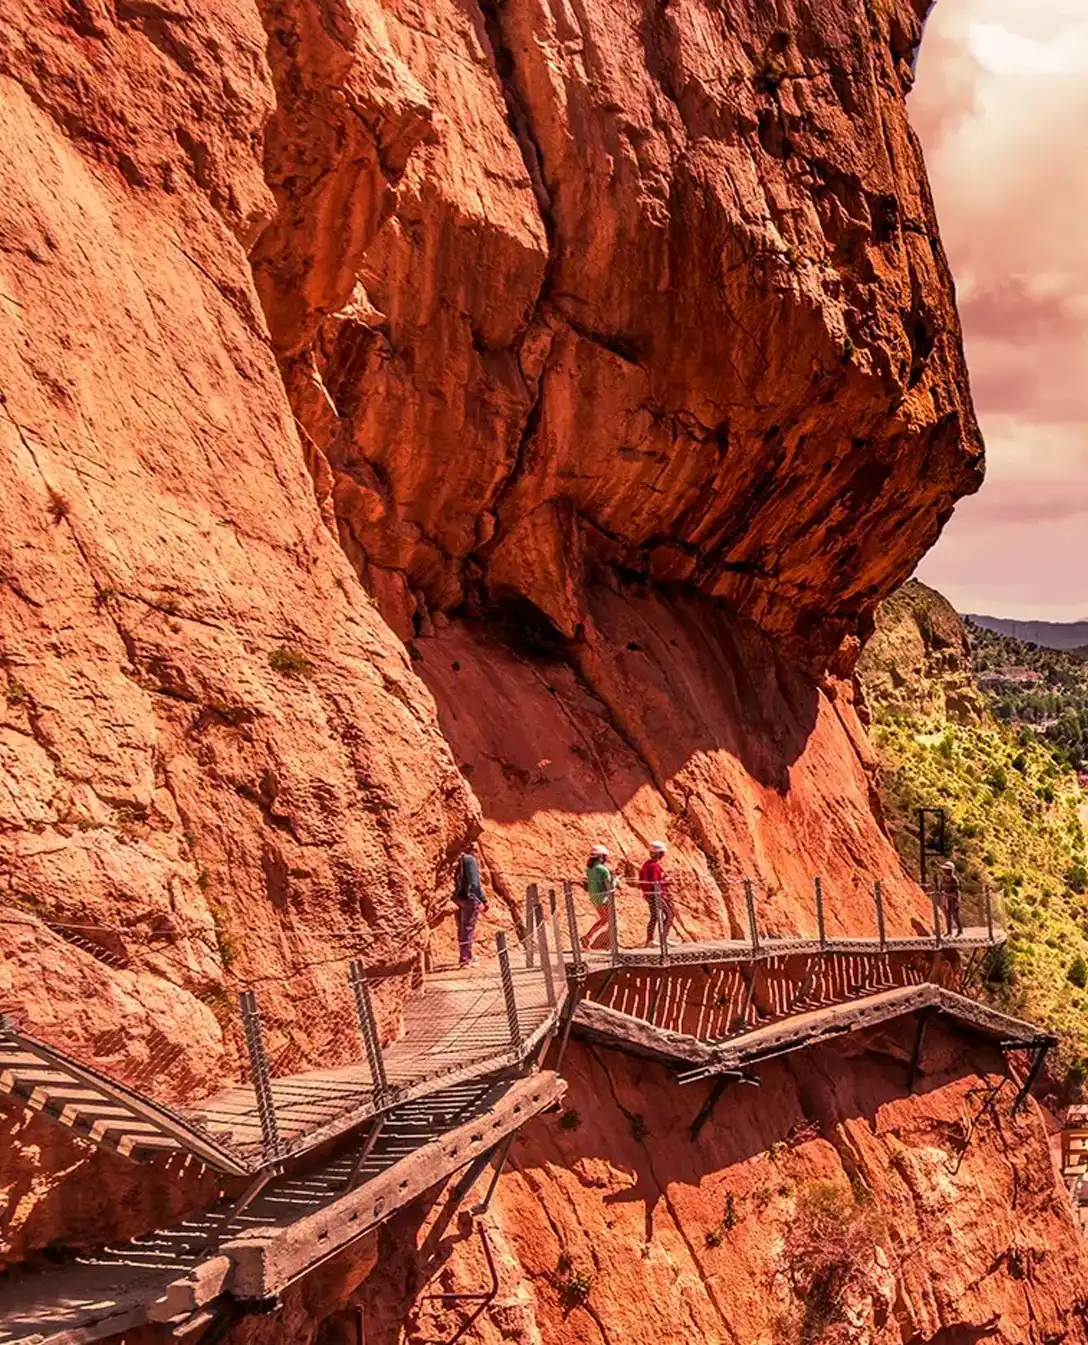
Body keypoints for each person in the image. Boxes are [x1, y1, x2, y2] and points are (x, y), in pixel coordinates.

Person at [453, 840, 488, 967]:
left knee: (461, 927)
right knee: (468, 928)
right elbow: (475, 883)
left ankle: (465, 955)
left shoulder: (457, 859)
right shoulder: (470, 860)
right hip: (469, 898)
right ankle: (465, 958)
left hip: (457, 898)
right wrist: (483, 899)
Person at [581, 845, 616, 949]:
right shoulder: (603, 870)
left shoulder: (590, 869)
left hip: (594, 896)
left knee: (604, 919)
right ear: (601, 857)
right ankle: (608, 943)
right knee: (610, 920)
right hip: (603, 897)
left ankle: (588, 937)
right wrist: (616, 879)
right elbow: (609, 885)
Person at [639, 840, 674, 946]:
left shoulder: (646, 864)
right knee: (669, 914)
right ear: (659, 853)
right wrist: (666, 881)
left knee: (654, 916)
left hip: (649, 894)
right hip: (655, 894)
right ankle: (663, 938)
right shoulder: (654, 866)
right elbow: (655, 882)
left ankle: (650, 940)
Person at [938, 860, 963, 937]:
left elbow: (957, 891)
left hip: (953, 899)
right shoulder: (943, 878)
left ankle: (960, 931)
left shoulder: (954, 879)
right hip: (946, 899)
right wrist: (941, 893)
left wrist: (957, 901)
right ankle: (949, 932)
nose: (945, 871)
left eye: (946, 870)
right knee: (948, 916)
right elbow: (941, 888)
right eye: (944, 869)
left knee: (955, 916)